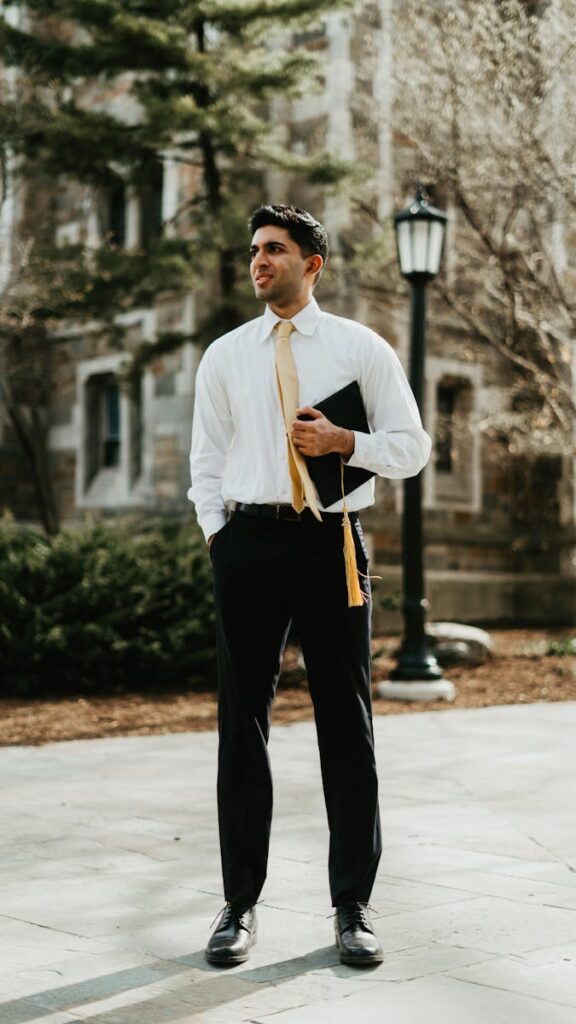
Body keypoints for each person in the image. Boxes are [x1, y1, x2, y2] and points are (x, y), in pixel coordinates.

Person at [188, 204, 431, 967]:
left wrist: (343, 441)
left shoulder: (360, 348)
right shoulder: (225, 354)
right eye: (255, 250)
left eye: (275, 250)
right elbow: (205, 457)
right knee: (242, 725)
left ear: (312, 264)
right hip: (249, 543)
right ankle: (238, 904)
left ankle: (353, 906)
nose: (259, 261)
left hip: (332, 545)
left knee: (347, 725)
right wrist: (218, 537)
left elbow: (413, 446)